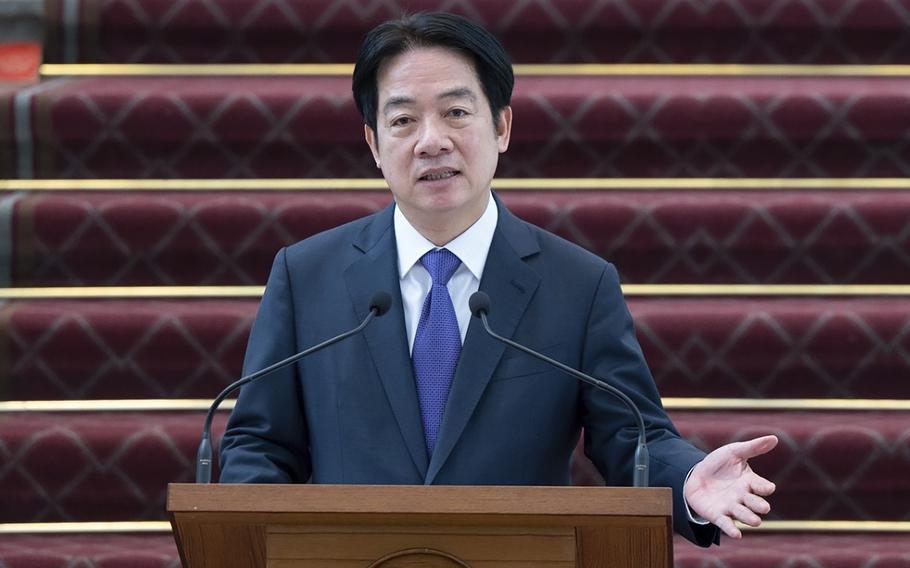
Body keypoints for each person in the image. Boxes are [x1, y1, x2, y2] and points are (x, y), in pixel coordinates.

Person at [219, 11, 777, 547]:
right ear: (374, 144)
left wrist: (685, 481)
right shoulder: (307, 275)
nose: (431, 140)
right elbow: (261, 444)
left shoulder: (577, 286)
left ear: (502, 126)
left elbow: (632, 435)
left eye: (456, 113)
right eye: (403, 120)